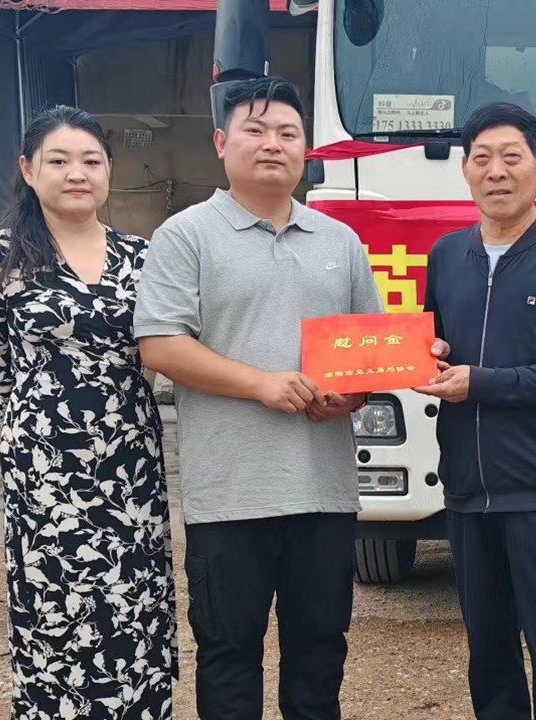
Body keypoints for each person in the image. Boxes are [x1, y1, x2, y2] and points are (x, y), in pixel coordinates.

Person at [134, 76, 383, 719]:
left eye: (288, 133)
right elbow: (160, 347)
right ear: (221, 142)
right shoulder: (185, 236)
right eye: (255, 129)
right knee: (227, 654)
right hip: (230, 495)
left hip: (324, 493)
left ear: (306, 149)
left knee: (320, 651)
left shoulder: (340, 242)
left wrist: (348, 399)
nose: (272, 143)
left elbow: (369, 357)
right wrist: (262, 384)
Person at [0, 105, 176, 718]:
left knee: (134, 605)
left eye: (91, 160)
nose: (75, 173)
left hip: (131, 460)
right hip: (45, 470)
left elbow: (167, 346)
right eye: (58, 161)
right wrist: (38, 432)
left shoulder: (142, 257)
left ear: (109, 170)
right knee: (56, 610)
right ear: (28, 170)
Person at [415, 101, 536, 720]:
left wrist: (482, 383)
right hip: (468, 489)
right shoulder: (448, 255)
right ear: (466, 172)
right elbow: (434, 343)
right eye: (482, 159)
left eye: (511, 157)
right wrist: (434, 355)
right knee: (489, 650)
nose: (496, 171)